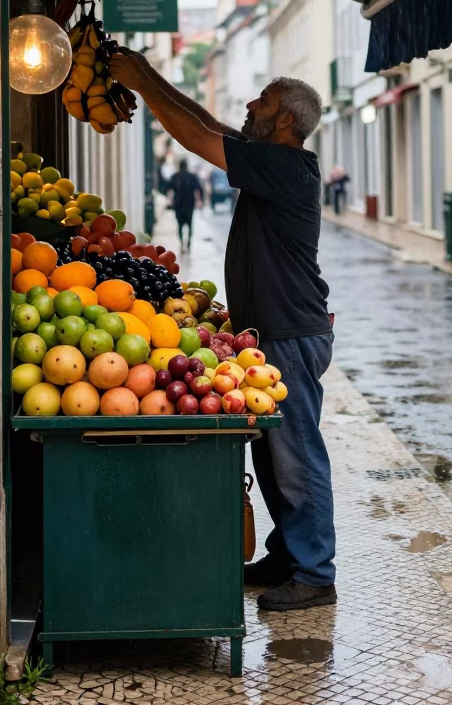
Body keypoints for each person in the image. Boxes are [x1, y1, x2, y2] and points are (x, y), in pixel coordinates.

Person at [109, 47, 337, 612]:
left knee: (297, 455)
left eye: (263, 101)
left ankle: (316, 571)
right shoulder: (272, 159)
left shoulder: (284, 166)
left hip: (290, 331)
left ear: (286, 120)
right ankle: (289, 555)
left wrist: (139, 79)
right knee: (273, 453)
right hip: (275, 330)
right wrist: (149, 77)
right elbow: (207, 125)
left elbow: (192, 138)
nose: (250, 104)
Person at [167, 160, 203, 252]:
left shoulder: (175, 177)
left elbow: (168, 188)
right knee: (190, 224)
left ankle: (182, 242)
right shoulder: (192, 177)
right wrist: (200, 201)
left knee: (179, 224)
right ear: (187, 166)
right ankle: (189, 242)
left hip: (178, 203)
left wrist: (170, 201)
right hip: (190, 203)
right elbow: (199, 189)